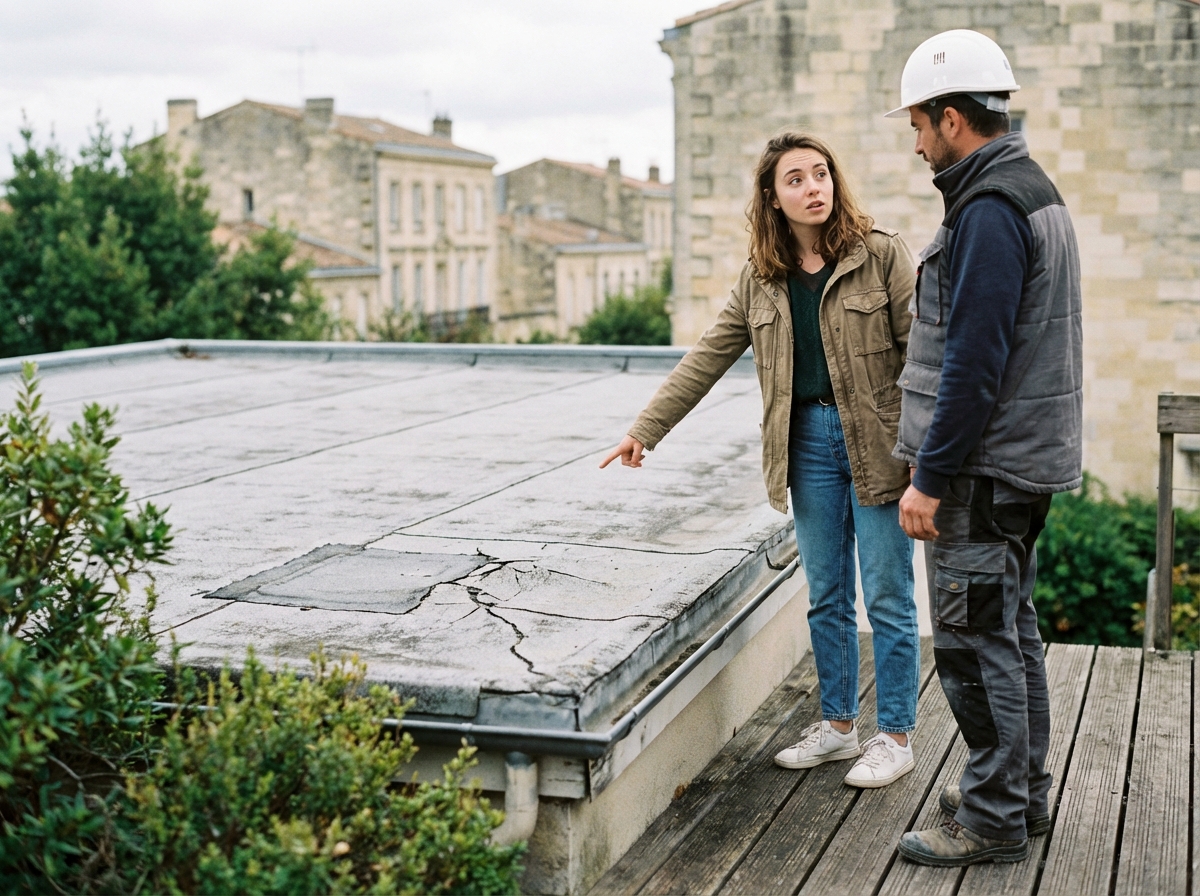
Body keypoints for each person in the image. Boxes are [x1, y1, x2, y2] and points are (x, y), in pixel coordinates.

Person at [601, 132, 921, 789]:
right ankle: (838, 728)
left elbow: (924, 356)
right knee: (827, 593)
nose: (814, 188)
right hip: (803, 444)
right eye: (796, 179)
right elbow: (708, 356)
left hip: (881, 442)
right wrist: (645, 430)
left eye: (821, 174)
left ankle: (894, 735)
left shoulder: (882, 255)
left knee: (888, 593)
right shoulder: (761, 279)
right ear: (773, 198)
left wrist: (926, 452)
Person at [884, 30, 1083, 867]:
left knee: (971, 645)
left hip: (978, 471)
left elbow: (974, 361)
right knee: (1010, 633)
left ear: (955, 117)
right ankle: (1020, 796)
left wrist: (929, 478)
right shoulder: (1026, 189)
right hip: (1017, 465)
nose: (918, 141)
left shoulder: (992, 209)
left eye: (922, 125)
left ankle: (995, 818)